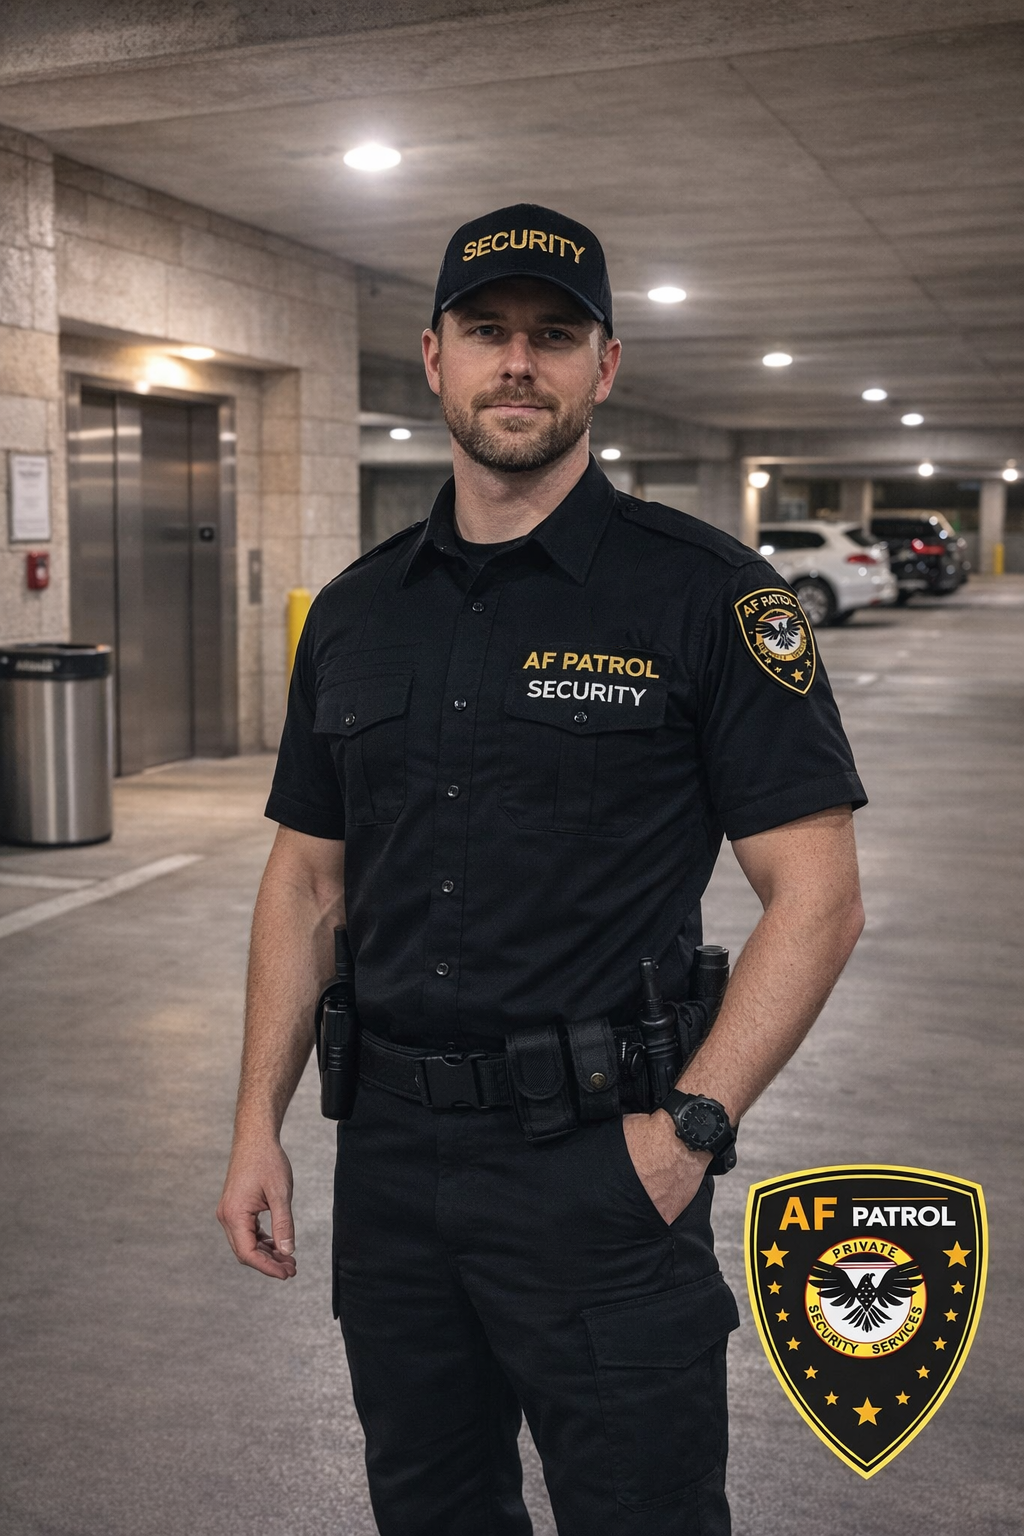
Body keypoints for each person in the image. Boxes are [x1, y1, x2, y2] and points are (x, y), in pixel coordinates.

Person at [217, 202, 866, 1535]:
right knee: (428, 1504)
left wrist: (691, 1131)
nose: (520, 361)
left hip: (602, 1166)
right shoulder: (355, 612)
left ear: (604, 367)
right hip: (391, 1165)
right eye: (488, 331)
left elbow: (819, 898)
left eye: (554, 336)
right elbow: (307, 883)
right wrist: (253, 1128)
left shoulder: (710, 598)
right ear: (434, 357)